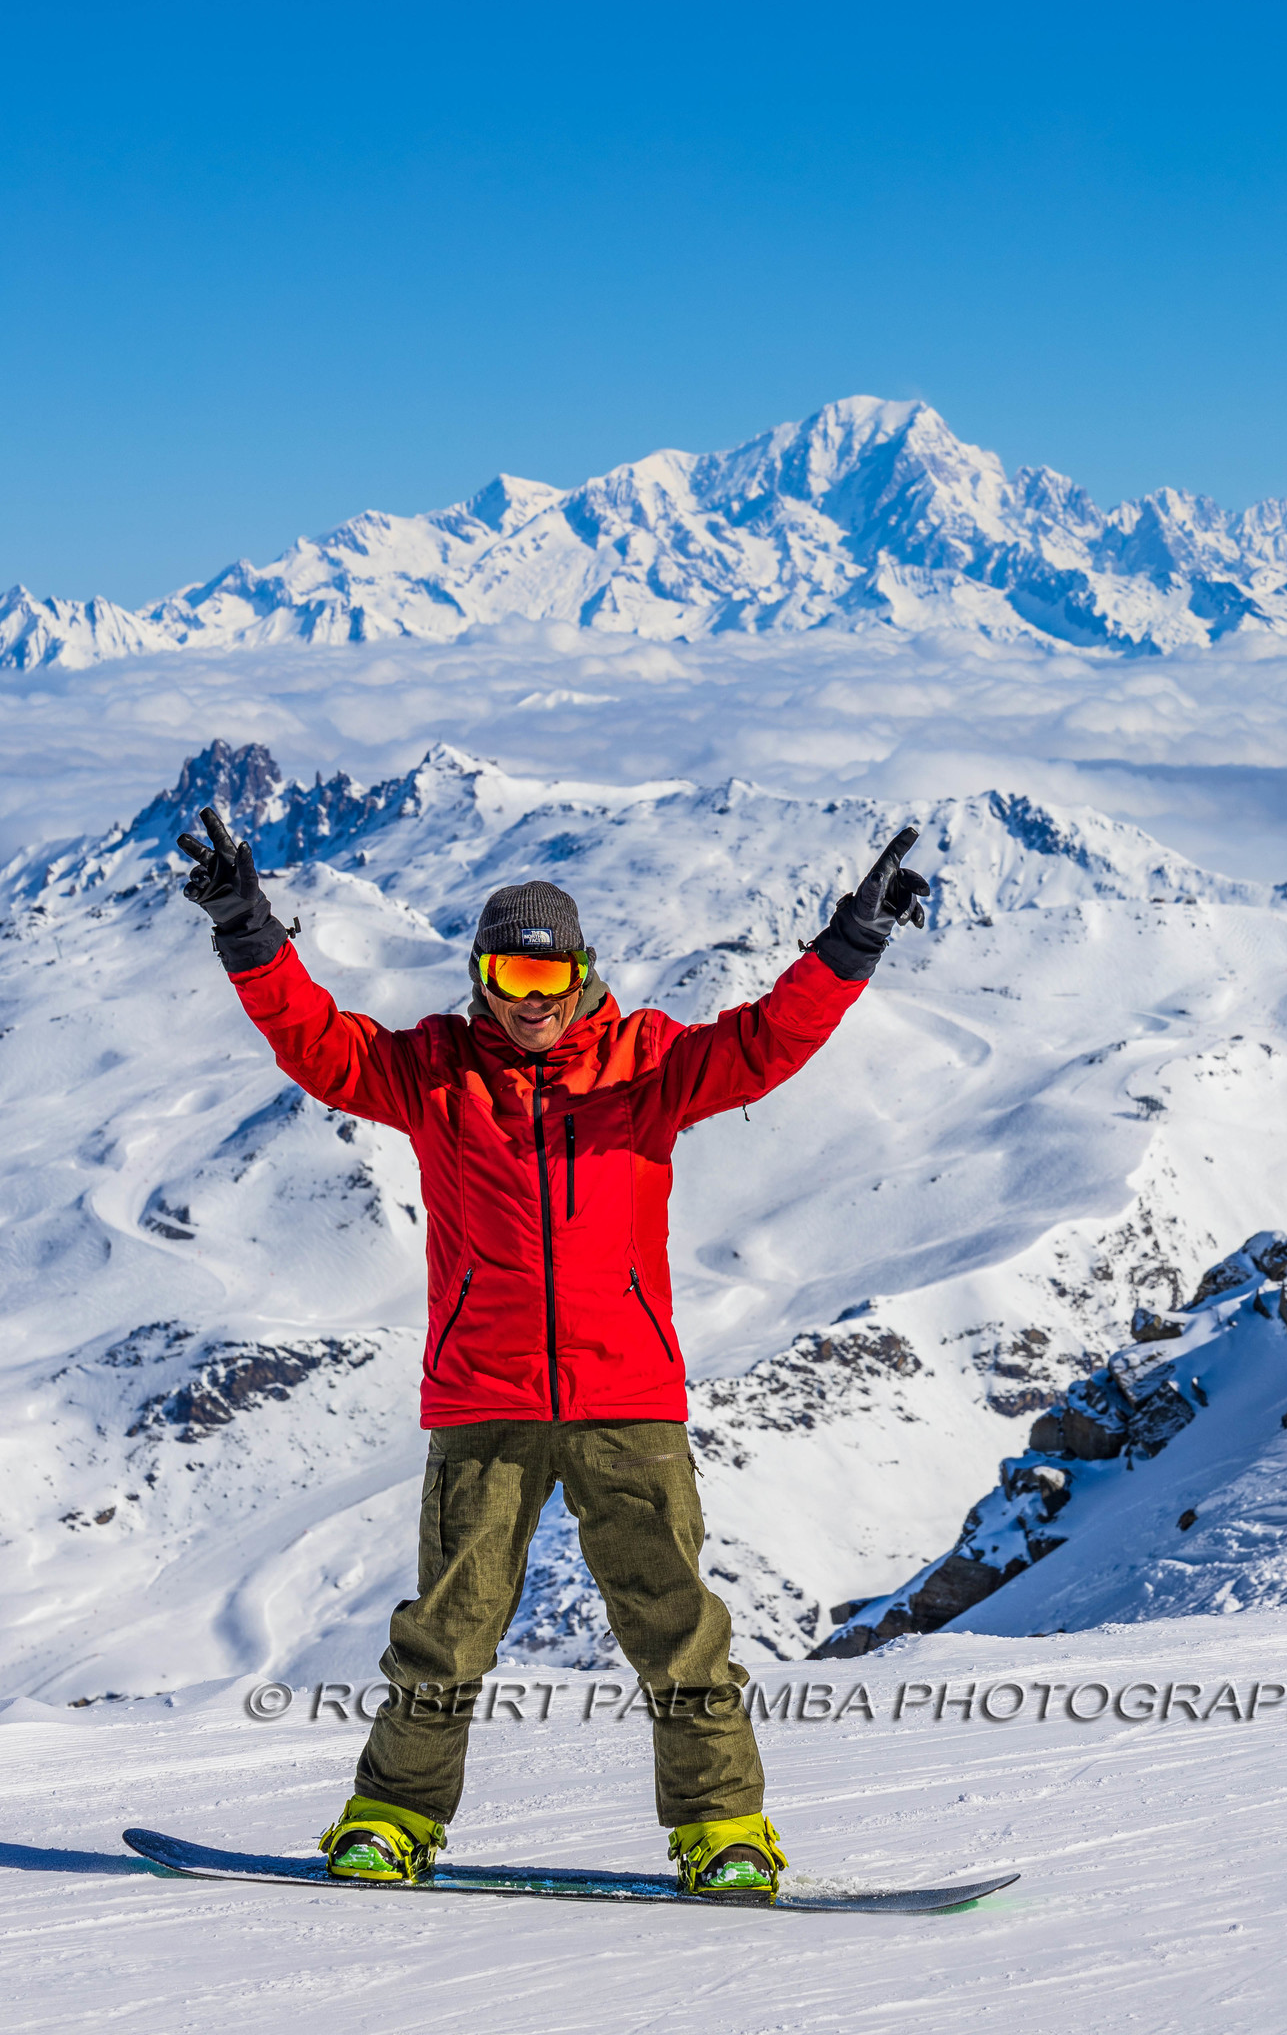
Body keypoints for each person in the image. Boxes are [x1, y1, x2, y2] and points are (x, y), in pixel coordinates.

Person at [177, 804, 929, 1898]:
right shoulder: (435, 1075)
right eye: (505, 984)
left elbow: (765, 1044)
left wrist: (847, 948)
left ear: (581, 976)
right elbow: (320, 1045)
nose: (527, 1009)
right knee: (445, 1633)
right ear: (480, 980)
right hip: (484, 1399)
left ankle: (722, 1832)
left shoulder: (649, 1066)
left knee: (677, 1626)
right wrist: (250, 932)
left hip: (627, 1397)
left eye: (547, 984)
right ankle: (391, 1817)